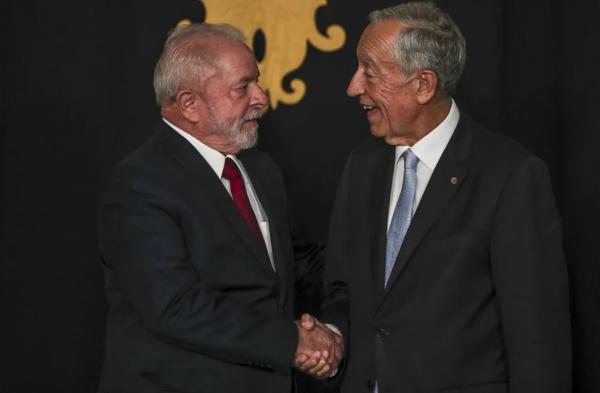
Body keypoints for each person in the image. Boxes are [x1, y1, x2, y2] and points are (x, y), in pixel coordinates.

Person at [312, 2, 571, 392]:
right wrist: (331, 334)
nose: (353, 87)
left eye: (370, 71)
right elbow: (343, 289)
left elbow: (537, 338)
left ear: (423, 85)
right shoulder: (362, 165)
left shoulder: (510, 174)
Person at [97, 23, 342, 393]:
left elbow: (296, 262)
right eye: (243, 87)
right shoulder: (139, 184)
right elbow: (174, 306)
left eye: (257, 82)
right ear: (189, 105)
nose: (262, 97)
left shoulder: (261, 169)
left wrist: (373, 281)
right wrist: (293, 343)